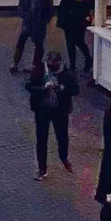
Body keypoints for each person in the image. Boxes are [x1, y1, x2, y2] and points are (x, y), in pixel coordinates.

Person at [27, 50, 79, 179]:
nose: (53, 69)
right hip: (42, 110)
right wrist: (42, 89)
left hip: (59, 110)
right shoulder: (39, 70)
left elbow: (75, 90)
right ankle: (42, 169)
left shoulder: (67, 73)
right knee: (41, 139)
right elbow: (28, 86)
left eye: (55, 66)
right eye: (50, 65)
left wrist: (61, 90)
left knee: (62, 136)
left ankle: (63, 156)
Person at [10, 0, 54, 72]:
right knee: (21, 42)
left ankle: (35, 65)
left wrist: (44, 20)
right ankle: (15, 62)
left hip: (39, 24)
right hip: (28, 23)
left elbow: (50, 10)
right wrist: (25, 17)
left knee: (39, 45)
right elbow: (21, 7)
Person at [58, 0, 94, 76]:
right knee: (70, 42)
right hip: (68, 16)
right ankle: (73, 65)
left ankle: (87, 58)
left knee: (78, 40)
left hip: (79, 16)